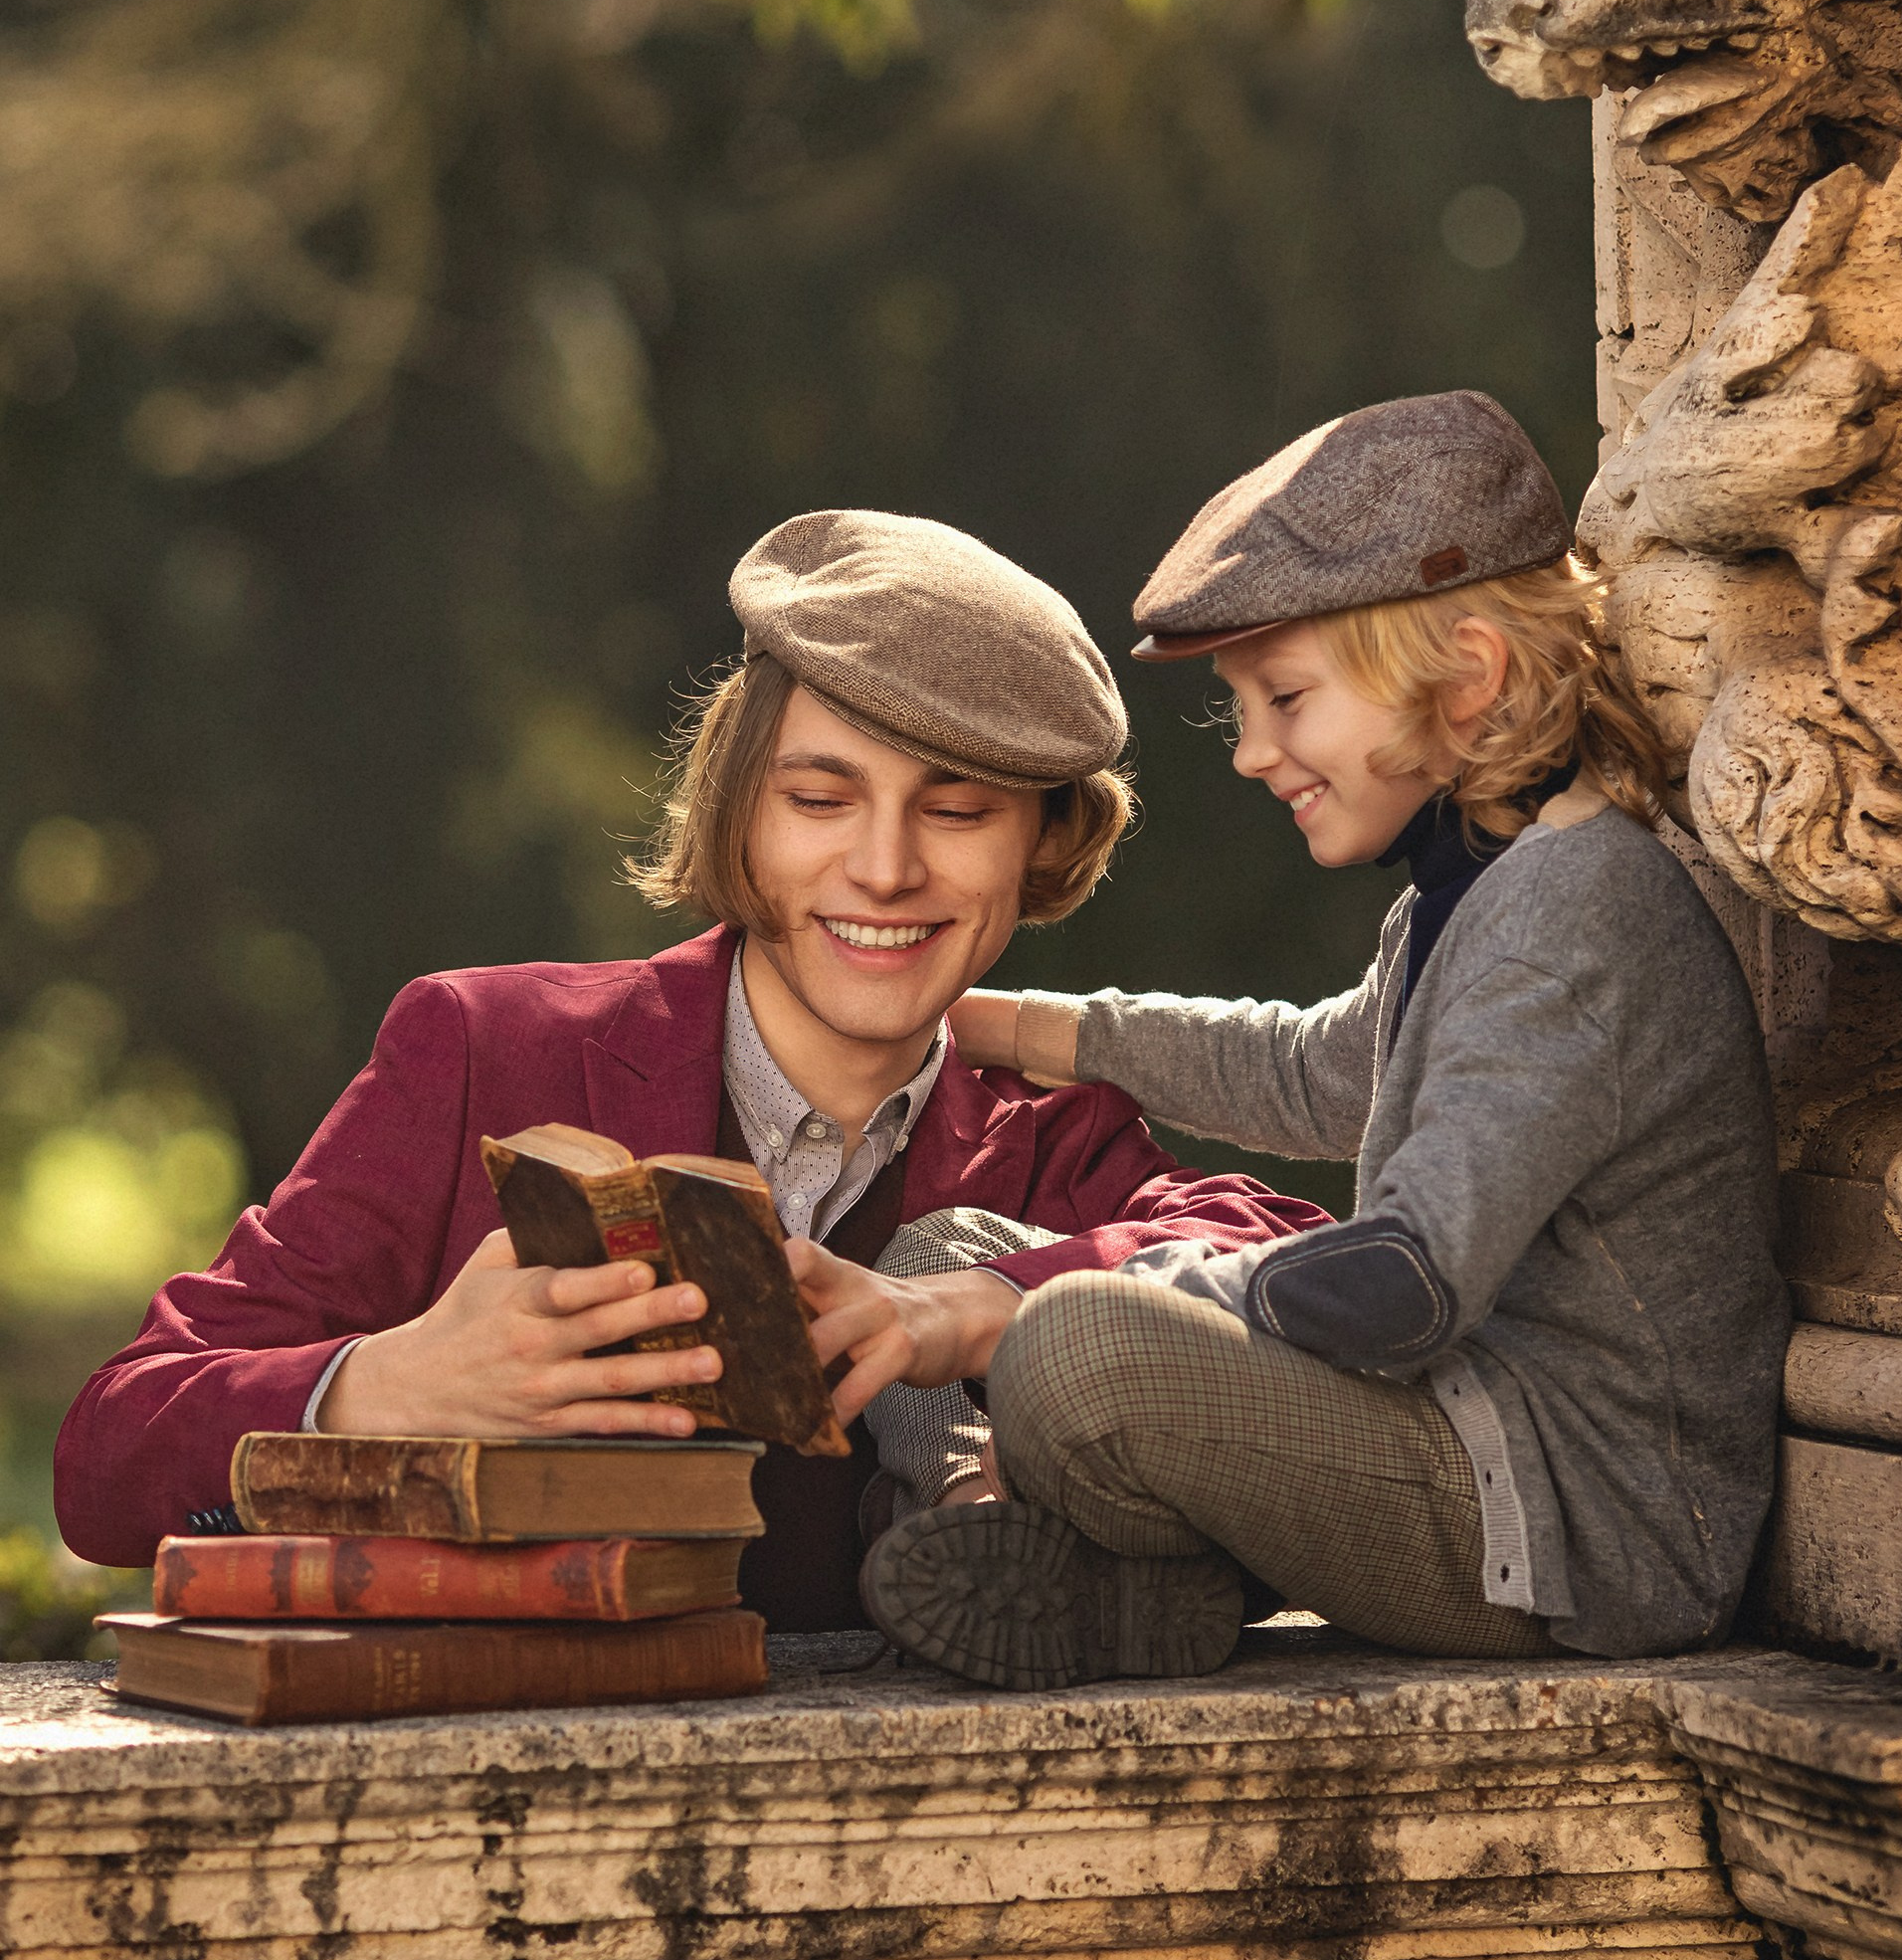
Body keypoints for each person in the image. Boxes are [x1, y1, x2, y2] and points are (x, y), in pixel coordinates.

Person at [56, 510, 1330, 1617]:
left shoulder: (1055, 1132)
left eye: (954, 810)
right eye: (820, 799)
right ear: (737, 803)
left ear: (1043, 843)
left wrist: (965, 1307)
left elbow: (1277, 1252)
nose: (883, 869)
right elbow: (106, 1457)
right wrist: (384, 1381)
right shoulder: (477, 1045)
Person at [834, 393, 1792, 1686]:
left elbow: (1407, 1284)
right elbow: (1322, 1073)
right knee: (936, 1248)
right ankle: (1022, 1542)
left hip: (1575, 1530)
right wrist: (1018, 1027)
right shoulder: (1466, 891)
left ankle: (1089, 1546)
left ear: (1469, 674)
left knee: (1062, 1347)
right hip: (1457, 1432)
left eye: (1284, 697)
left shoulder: (1576, 914)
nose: (1250, 752)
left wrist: (1009, 1313)